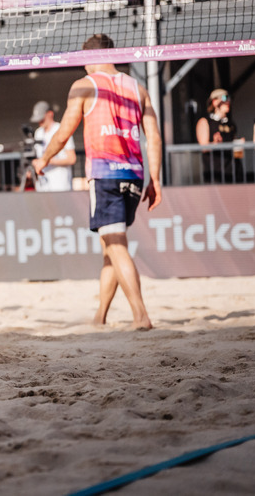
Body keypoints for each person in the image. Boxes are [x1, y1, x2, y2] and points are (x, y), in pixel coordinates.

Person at [32, 33, 161, 330]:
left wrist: (44, 159)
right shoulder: (137, 88)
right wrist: (155, 179)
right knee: (110, 247)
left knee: (116, 246)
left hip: (106, 175)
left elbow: (63, 132)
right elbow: (153, 136)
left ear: (89, 58)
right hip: (135, 175)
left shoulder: (84, 86)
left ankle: (141, 316)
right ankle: (99, 318)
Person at [195, 88, 243, 183]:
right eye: (225, 98)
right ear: (215, 102)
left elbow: (235, 146)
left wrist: (239, 145)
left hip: (234, 172)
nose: (228, 102)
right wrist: (215, 144)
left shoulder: (230, 123)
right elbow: (203, 147)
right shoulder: (205, 122)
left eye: (229, 98)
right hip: (216, 174)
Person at [28, 100, 77, 192]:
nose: (40, 122)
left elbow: (72, 158)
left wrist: (47, 160)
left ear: (50, 114)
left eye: (42, 119)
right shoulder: (38, 133)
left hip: (60, 185)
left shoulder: (61, 129)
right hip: (43, 185)